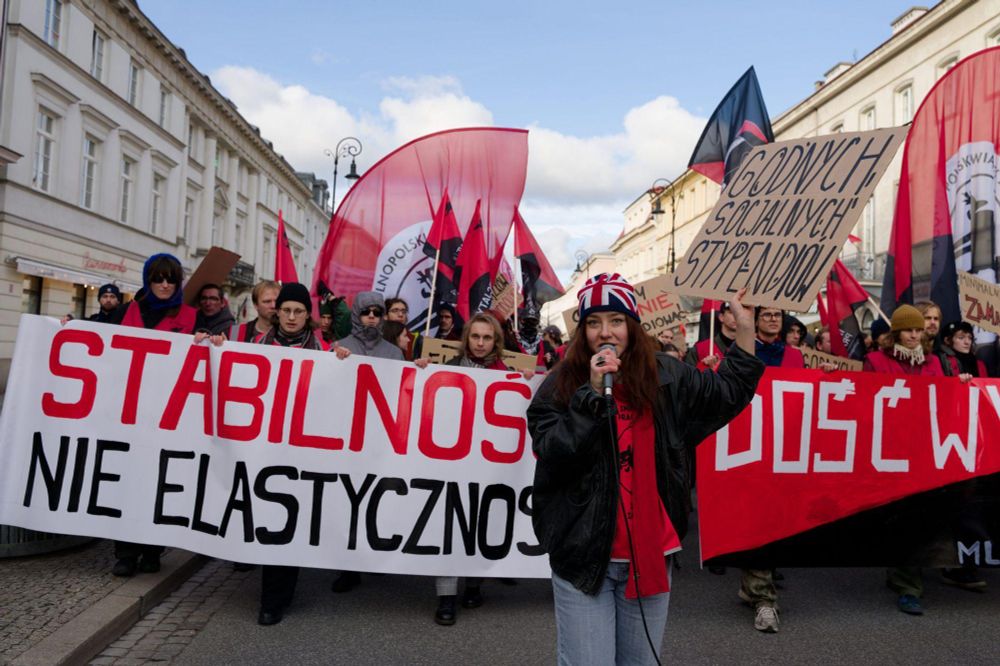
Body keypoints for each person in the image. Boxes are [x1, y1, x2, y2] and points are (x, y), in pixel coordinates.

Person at [527, 273, 763, 664]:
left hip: (650, 555)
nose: (606, 332)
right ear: (581, 330)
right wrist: (589, 395)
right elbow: (552, 451)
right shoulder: (560, 385)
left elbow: (729, 392)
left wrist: (746, 327)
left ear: (632, 326)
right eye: (593, 322)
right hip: (584, 559)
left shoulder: (668, 376)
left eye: (616, 321)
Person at [432, 312, 527, 625]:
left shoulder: (509, 375)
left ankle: (473, 585)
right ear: (467, 339)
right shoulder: (447, 370)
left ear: (496, 341)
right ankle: (446, 597)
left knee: (480, 526)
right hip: (453, 464)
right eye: (476, 337)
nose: (481, 343)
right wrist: (419, 374)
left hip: (488, 467)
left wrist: (527, 388)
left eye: (487, 337)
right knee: (449, 529)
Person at [863, 304, 954, 615]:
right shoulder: (875, 361)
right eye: (908, 329)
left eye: (918, 329)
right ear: (896, 333)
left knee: (917, 516)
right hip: (891, 450)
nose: (915, 334)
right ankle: (906, 582)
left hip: (925, 450)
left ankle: (905, 579)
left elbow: (945, 398)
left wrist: (962, 386)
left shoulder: (934, 362)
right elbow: (867, 404)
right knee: (900, 517)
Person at [112, 253, 198, 577]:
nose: (164, 284)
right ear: (148, 280)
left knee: (158, 484)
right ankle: (124, 552)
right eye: (158, 278)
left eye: (170, 279)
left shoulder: (190, 317)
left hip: (168, 418)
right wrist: (64, 326)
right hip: (128, 414)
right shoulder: (125, 311)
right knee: (126, 482)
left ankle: (152, 551)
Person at [253, 283, 325, 626]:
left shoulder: (324, 352)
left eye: (298, 311)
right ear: (276, 312)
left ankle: (276, 599)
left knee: (289, 521)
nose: (292, 317)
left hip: (302, 453)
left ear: (308, 315)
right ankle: (270, 594)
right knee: (267, 519)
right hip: (263, 449)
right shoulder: (254, 347)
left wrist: (341, 365)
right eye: (286, 311)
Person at [733, 305, 805, 633]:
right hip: (750, 444)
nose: (773, 319)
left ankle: (753, 585)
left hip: (785, 445)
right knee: (758, 519)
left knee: (776, 519)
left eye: (778, 315)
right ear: (756, 319)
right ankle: (764, 599)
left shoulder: (795, 356)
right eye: (767, 315)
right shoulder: (743, 349)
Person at [330, 291, 404, 594]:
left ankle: (373, 557)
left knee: (377, 497)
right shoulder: (340, 348)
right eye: (366, 311)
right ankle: (347, 566)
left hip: (379, 437)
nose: (372, 316)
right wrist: (333, 361)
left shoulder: (394, 353)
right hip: (347, 437)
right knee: (347, 500)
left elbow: (402, 391)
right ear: (357, 314)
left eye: (377, 311)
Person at [686, 302, 738, 371]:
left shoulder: (749, 349)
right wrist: (703, 368)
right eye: (731, 312)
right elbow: (688, 378)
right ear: (721, 317)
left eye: (738, 312)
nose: (736, 316)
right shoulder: (699, 350)